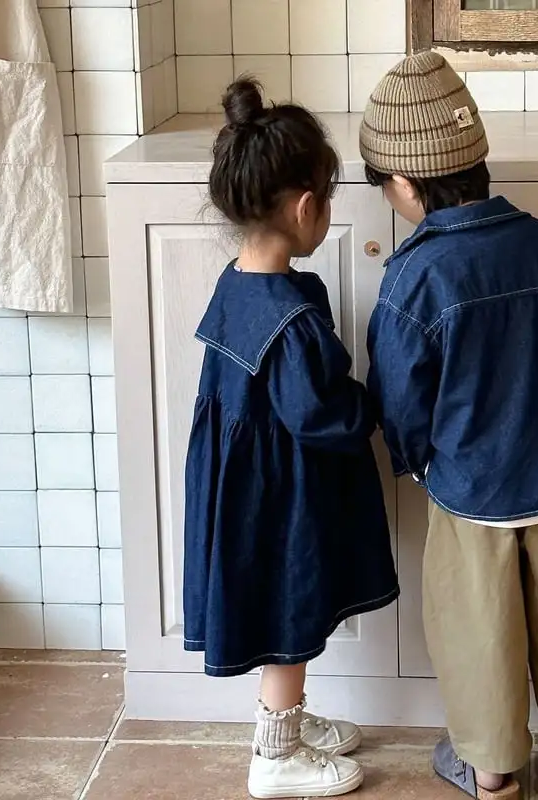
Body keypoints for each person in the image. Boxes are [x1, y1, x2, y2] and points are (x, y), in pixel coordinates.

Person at [360, 52, 538, 800]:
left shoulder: (415, 273)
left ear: (404, 184)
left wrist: (420, 464)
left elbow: (398, 395)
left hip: (474, 489)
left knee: (480, 630)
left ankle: (494, 771)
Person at [183, 77, 400, 799]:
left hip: (244, 484)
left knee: (286, 607)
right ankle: (275, 755)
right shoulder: (293, 320)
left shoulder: (236, 283)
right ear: (307, 208)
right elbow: (320, 415)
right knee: (289, 610)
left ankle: (290, 722)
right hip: (280, 497)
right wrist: (375, 405)